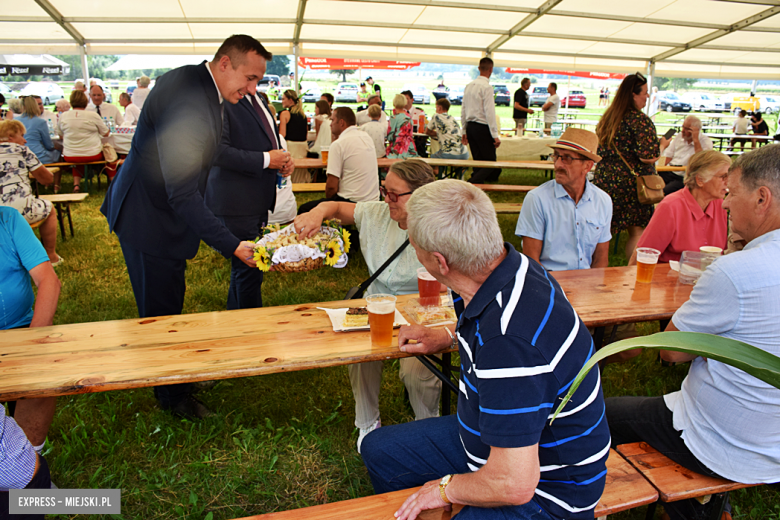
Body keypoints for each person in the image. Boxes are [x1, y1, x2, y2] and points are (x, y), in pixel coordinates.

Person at [361, 179, 610, 520]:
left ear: (439, 261)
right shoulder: (511, 267)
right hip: (495, 446)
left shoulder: (507, 343)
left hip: (548, 495)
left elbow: (513, 484)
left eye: (412, 242)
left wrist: (444, 488)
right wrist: (447, 336)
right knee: (380, 449)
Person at [100, 34, 284, 420]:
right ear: (224, 64)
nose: (252, 90)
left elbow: (210, 148)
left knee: (169, 303)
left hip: (155, 209)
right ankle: (171, 396)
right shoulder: (191, 102)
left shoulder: (199, 83)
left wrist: (263, 159)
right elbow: (181, 194)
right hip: (147, 217)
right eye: (249, 79)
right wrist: (232, 244)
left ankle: (174, 379)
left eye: (257, 82)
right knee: (161, 314)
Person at [606, 144, 780, 520]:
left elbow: (670, 352)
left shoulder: (736, 272)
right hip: (773, 437)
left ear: (762, 198)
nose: (727, 203)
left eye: (732, 193)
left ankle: (692, 506)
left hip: (724, 442)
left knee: (593, 411)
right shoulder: (738, 263)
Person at [295, 160, 442, 453]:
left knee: (416, 372)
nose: (385, 199)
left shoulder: (441, 226)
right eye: (384, 190)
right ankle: (367, 423)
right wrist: (316, 213)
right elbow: (335, 208)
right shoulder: (377, 212)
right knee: (362, 353)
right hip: (378, 303)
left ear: (421, 196)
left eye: (393, 194)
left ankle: (427, 425)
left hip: (424, 307)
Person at [205, 85, 292, 311]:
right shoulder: (225, 99)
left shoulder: (258, 98)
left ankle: (236, 319)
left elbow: (266, 141)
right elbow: (217, 152)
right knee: (249, 268)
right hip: (236, 201)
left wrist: (282, 161)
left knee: (246, 269)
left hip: (255, 200)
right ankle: (248, 328)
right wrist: (266, 160)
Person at [0, 206, 61, 483]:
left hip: (20, 330)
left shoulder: (8, 219)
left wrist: (33, 342)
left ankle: (28, 462)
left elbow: (48, 280)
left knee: (43, 375)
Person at [516, 128, 612, 271]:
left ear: (587, 166)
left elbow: (601, 259)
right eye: (556, 156)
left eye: (567, 158)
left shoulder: (602, 201)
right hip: (548, 284)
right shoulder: (537, 199)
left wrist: (593, 288)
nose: (558, 165)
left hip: (587, 284)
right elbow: (532, 261)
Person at [593, 72, 663, 260]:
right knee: (637, 231)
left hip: (605, 180)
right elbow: (648, 156)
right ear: (633, 94)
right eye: (645, 93)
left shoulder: (607, 118)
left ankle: (596, 269)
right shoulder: (639, 120)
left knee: (602, 230)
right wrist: (662, 145)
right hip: (633, 185)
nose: (647, 96)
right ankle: (632, 274)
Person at [629, 150, 729, 265]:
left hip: (707, 277)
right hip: (669, 278)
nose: (728, 182)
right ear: (700, 180)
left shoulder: (720, 204)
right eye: (723, 177)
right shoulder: (671, 206)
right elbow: (644, 255)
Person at [0, 120, 61, 265]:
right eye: (21, 135)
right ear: (10, 137)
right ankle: (51, 255)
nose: (25, 140)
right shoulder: (22, 151)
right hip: (18, 212)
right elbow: (46, 179)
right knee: (49, 207)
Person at [297, 107, 379, 214]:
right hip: (372, 200)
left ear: (341, 123)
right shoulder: (366, 137)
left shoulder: (339, 144)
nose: (330, 124)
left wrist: (329, 205)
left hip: (351, 202)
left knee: (304, 210)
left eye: (332, 120)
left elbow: (331, 187)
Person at [58, 89, 115, 192]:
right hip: (92, 153)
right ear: (86, 101)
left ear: (71, 102)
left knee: (78, 155)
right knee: (109, 154)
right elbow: (105, 133)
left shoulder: (63, 116)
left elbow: (60, 135)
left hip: (70, 155)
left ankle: (76, 184)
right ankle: (113, 182)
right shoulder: (93, 115)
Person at [462, 57, 501, 184]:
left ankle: (477, 182)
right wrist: (495, 135)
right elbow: (490, 112)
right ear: (491, 69)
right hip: (482, 126)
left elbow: (463, 109)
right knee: (490, 161)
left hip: (470, 126)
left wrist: (464, 130)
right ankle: (473, 181)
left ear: (479, 69)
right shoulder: (487, 87)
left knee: (478, 159)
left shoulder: (469, 86)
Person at [661, 115, 714, 195]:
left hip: (685, 176)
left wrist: (695, 140)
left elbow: (702, 161)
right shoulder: (679, 136)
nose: (682, 131)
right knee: (651, 185)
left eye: (686, 129)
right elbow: (668, 155)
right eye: (683, 127)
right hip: (670, 171)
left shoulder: (705, 142)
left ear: (696, 131)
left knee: (664, 191)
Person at [278, 89, 310, 183]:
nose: (282, 101)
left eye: (284, 99)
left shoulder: (285, 114)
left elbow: (282, 135)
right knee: (300, 172)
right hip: (303, 146)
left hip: (291, 146)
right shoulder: (303, 115)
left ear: (290, 100)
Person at [17, 95, 60, 164]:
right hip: (38, 156)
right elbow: (49, 145)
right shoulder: (40, 122)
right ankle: (55, 173)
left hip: (21, 155)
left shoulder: (15, 121)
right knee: (57, 153)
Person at [386, 94, 418, 159]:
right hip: (410, 147)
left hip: (397, 147)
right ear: (404, 104)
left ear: (394, 104)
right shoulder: (409, 117)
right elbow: (411, 133)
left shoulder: (394, 118)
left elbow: (390, 136)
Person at [403, 90, 428, 158]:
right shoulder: (399, 113)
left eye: (406, 99)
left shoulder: (419, 112)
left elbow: (424, 126)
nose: (404, 101)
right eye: (403, 99)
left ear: (412, 100)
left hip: (417, 139)